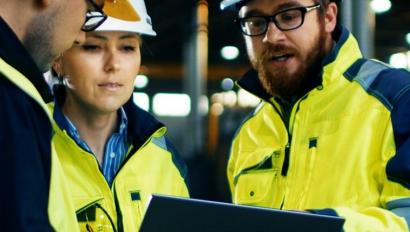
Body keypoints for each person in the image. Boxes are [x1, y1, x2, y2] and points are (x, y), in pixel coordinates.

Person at [220, 0, 410, 231]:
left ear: (328, 17)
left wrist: (320, 226)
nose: (271, 37)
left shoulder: (397, 99)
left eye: (289, 16)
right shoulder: (251, 131)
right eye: (256, 22)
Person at [49, 0, 190, 231]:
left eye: (127, 48)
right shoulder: (30, 141)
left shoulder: (164, 157)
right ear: (58, 59)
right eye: (93, 47)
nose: (113, 64)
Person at [0, 0, 137, 230]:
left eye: (128, 47)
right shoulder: (12, 102)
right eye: (89, 9)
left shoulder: (23, 102)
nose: (80, 37)